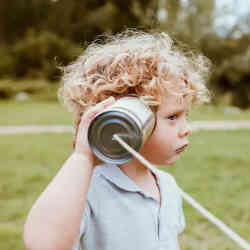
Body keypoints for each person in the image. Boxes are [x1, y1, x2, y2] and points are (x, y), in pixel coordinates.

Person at [23, 30, 211, 250]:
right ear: (128, 117)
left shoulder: (167, 186)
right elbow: (43, 245)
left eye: (185, 115)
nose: (186, 129)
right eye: (172, 117)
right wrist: (83, 157)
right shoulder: (89, 188)